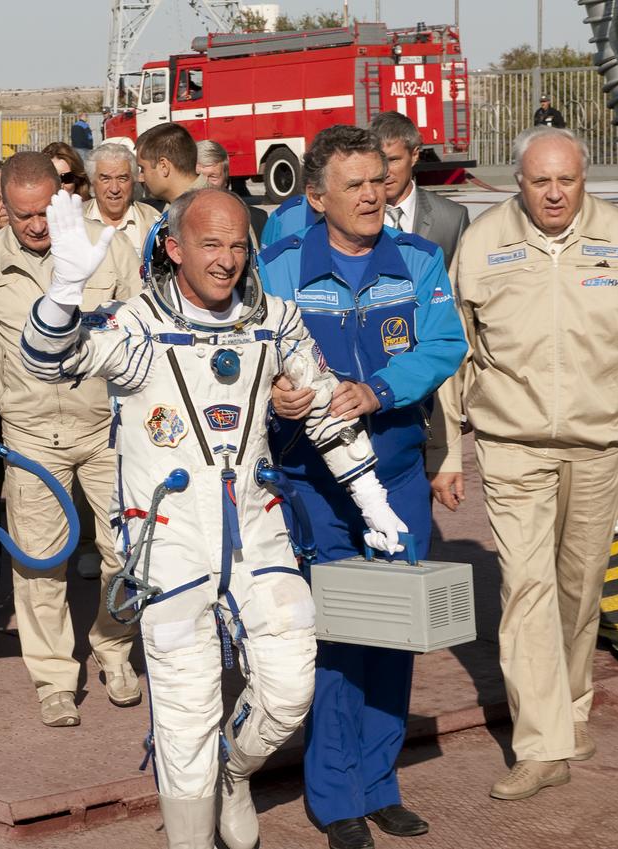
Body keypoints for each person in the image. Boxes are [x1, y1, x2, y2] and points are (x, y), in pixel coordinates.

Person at [21, 187, 406, 849]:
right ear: (174, 248)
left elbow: (319, 408)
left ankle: (234, 768)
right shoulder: (137, 324)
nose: (226, 259)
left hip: (255, 527)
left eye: (236, 244)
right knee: (184, 705)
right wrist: (64, 289)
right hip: (165, 535)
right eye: (209, 244)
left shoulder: (276, 320)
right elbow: (46, 359)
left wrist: (372, 498)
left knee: (290, 685)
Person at [429, 126, 618, 800]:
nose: (554, 193)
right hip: (512, 444)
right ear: (518, 181)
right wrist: (449, 448)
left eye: (566, 181)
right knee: (526, 589)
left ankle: (571, 702)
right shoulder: (484, 244)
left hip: (601, 445)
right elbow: (453, 353)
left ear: (583, 179)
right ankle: (541, 743)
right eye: (540, 181)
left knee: (579, 586)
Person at [260, 125, 467, 849]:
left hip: (399, 473)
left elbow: (447, 345)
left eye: (378, 179)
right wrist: (277, 398)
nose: (374, 194)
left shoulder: (418, 260)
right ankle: (335, 794)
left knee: (395, 635)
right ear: (316, 197)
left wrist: (379, 389)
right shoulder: (279, 266)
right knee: (341, 636)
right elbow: (247, 355)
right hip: (316, 483)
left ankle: (381, 784)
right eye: (354, 185)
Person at [0, 152, 141, 727]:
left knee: (128, 553)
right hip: (32, 434)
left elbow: (145, 324)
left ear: (63, 196)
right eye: (23, 213)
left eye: (45, 211)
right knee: (37, 564)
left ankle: (113, 649)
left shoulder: (109, 247)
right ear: (2, 208)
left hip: (108, 428)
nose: (36, 225)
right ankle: (55, 676)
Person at [368, 111, 470, 267]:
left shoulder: (453, 218)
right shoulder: (355, 215)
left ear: (414, 155)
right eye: (379, 161)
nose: (386, 172)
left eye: (394, 160)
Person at [84, 143, 159, 258]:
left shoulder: (153, 222)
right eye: (105, 179)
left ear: (133, 181)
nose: (114, 189)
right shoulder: (75, 219)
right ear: (92, 181)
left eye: (122, 178)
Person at [195, 139, 267, 244]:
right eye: (198, 176)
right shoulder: (176, 221)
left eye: (212, 177)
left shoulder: (256, 220)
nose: (204, 183)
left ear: (226, 181)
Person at [135, 123, 207, 208]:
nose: (140, 178)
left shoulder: (206, 209)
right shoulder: (178, 205)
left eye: (143, 169)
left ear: (164, 167)